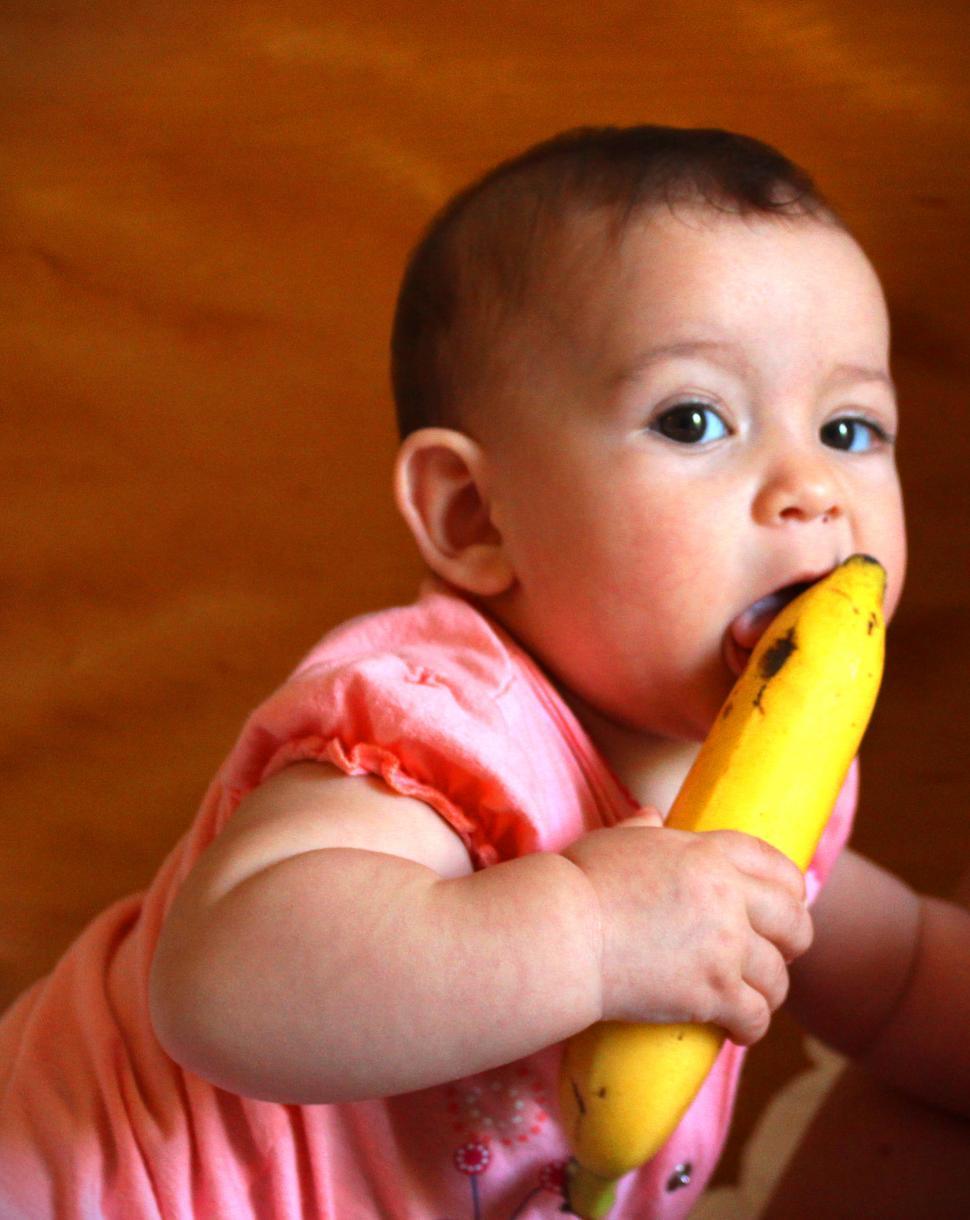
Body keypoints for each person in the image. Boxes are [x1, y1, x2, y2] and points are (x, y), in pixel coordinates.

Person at [1, 125, 968, 1220]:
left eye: (850, 427)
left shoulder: (782, 776)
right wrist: (592, 932)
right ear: (474, 515)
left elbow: (896, 980)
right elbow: (221, 987)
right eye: (693, 419)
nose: (811, 489)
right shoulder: (442, 722)